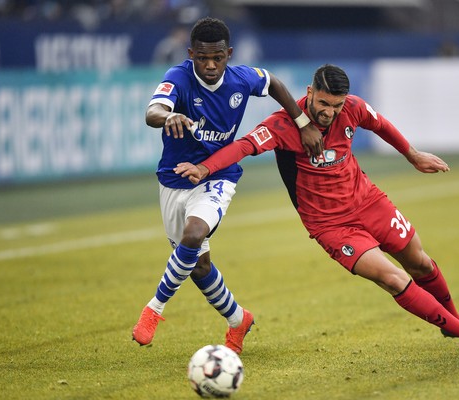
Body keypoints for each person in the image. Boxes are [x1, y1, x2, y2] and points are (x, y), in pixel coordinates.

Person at [174, 64, 459, 354]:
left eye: (335, 106)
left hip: (368, 201)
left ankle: (453, 322)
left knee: (420, 262)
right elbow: (243, 147)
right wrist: (205, 169)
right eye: (322, 103)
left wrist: (412, 154)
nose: (329, 112)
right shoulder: (282, 125)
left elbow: (381, 125)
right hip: (330, 226)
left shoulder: (353, 108)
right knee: (393, 278)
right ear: (309, 92)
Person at [132, 17, 323, 354]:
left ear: (228, 54)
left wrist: (302, 122)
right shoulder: (178, 77)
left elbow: (274, 83)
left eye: (217, 58)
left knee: (193, 236)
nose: (210, 65)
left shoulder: (241, 79)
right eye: (202, 58)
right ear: (191, 54)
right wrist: (169, 116)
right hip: (174, 179)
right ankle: (238, 320)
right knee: (197, 265)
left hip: (218, 176)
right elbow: (153, 111)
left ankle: (154, 309)